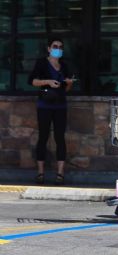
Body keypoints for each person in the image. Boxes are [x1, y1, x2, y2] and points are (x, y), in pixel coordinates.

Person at [28, 37, 74, 185]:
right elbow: (32, 81)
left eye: (60, 47)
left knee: (60, 137)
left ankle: (60, 173)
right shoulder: (42, 63)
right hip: (45, 105)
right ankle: (40, 173)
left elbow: (67, 89)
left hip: (60, 105)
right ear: (49, 48)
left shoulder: (64, 65)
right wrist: (47, 82)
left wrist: (69, 83)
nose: (58, 49)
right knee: (43, 136)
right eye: (55, 46)